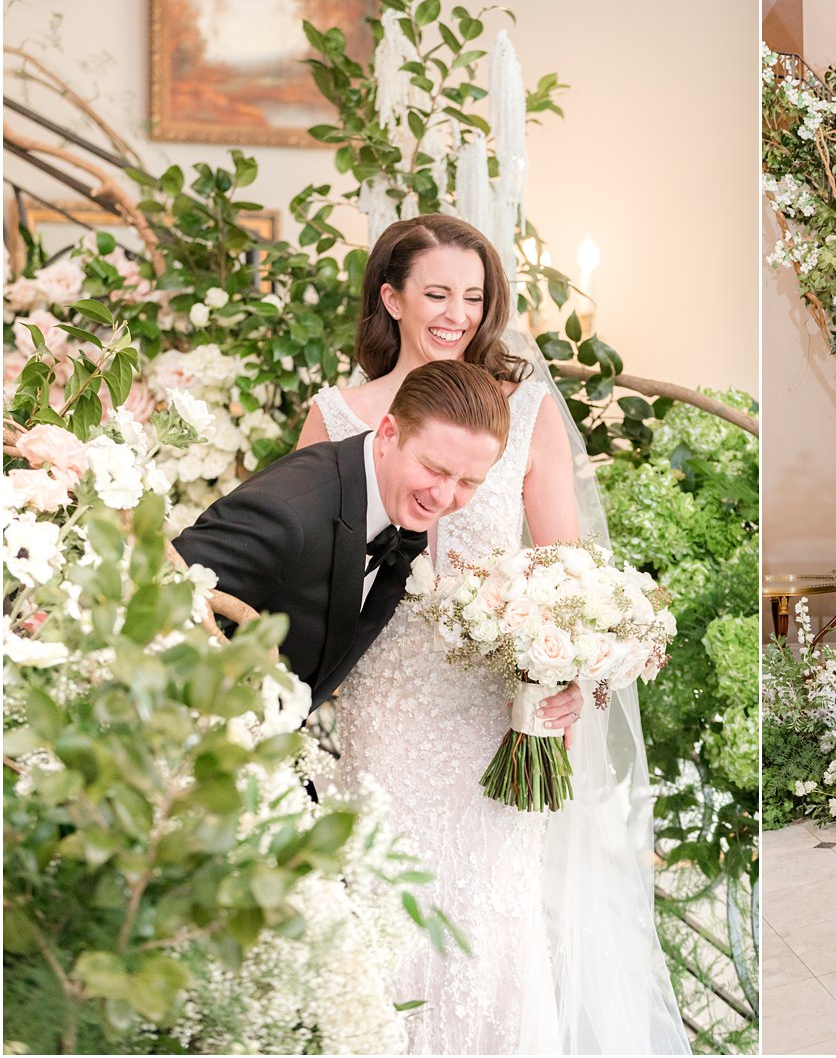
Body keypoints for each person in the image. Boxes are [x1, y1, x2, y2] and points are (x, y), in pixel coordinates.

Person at [298, 214, 687, 1054]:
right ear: (390, 297)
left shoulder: (530, 408)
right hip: (386, 701)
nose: (456, 315)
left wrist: (574, 668)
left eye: (473, 297)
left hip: (494, 707)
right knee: (386, 900)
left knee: (494, 909)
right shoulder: (336, 417)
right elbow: (300, 567)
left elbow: (566, 573)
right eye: (436, 293)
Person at [173, 359, 510, 711]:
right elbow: (159, 600)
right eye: (433, 469)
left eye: (468, 482)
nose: (443, 496)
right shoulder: (286, 514)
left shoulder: (394, 512)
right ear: (388, 434)